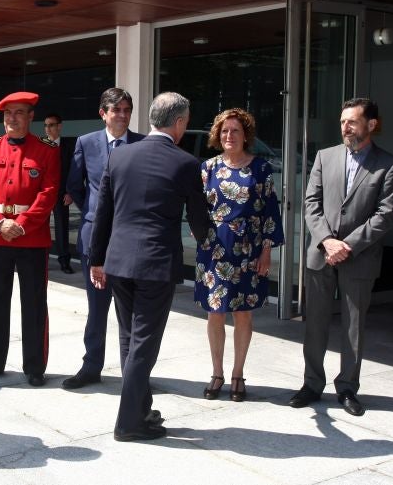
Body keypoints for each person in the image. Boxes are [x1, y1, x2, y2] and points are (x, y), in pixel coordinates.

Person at [89, 92, 209, 441]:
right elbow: (199, 219)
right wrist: (209, 241)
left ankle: (141, 408)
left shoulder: (120, 156)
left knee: (129, 339)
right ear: (179, 122)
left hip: (119, 261)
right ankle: (129, 422)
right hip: (156, 263)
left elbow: (103, 214)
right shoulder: (186, 162)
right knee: (144, 343)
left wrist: (97, 259)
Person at [289, 98, 393, 416]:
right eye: (342, 122)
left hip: (359, 257)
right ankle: (312, 384)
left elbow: (385, 215)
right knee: (316, 324)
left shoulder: (389, 165)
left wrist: (346, 245)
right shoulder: (325, 157)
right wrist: (327, 240)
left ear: (371, 124)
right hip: (321, 254)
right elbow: (311, 202)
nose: (345, 127)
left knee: (354, 326)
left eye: (352, 121)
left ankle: (348, 388)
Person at [194, 108, 284, 402]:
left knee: (242, 312)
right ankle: (217, 373)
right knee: (215, 312)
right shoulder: (207, 168)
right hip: (214, 248)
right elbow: (197, 209)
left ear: (246, 135)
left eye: (235, 131)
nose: (229, 136)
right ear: (217, 136)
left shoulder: (260, 169)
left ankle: (237, 374)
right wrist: (199, 236)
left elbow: (270, 212)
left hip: (248, 249)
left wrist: (267, 251)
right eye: (224, 131)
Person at [0, 91, 60, 387]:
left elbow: (48, 194)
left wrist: (20, 225)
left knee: (33, 304)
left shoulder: (46, 150)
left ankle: (34, 366)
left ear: (31, 116)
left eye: (19, 113)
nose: (12, 118)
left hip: (31, 239)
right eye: (8, 113)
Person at [62, 88, 146, 390]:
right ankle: (91, 366)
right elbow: (75, 184)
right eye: (116, 110)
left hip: (129, 241)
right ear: (103, 113)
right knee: (97, 308)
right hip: (94, 239)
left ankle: (134, 373)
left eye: (127, 110)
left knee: (131, 311)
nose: (122, 115)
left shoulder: (142, 144)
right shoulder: (86, 143)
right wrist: (95, 214)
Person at [42, 113, 76, 274]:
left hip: (62, 194)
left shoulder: (70, 145)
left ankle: (64, 261)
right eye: (46, 125)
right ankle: (42, 260)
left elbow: (74, 171)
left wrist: (70, 192)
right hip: (43, 195)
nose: (48, 129)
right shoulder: (40, 145)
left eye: (51, 125)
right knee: (41, 228)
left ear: (59, 126)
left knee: (62, 228)